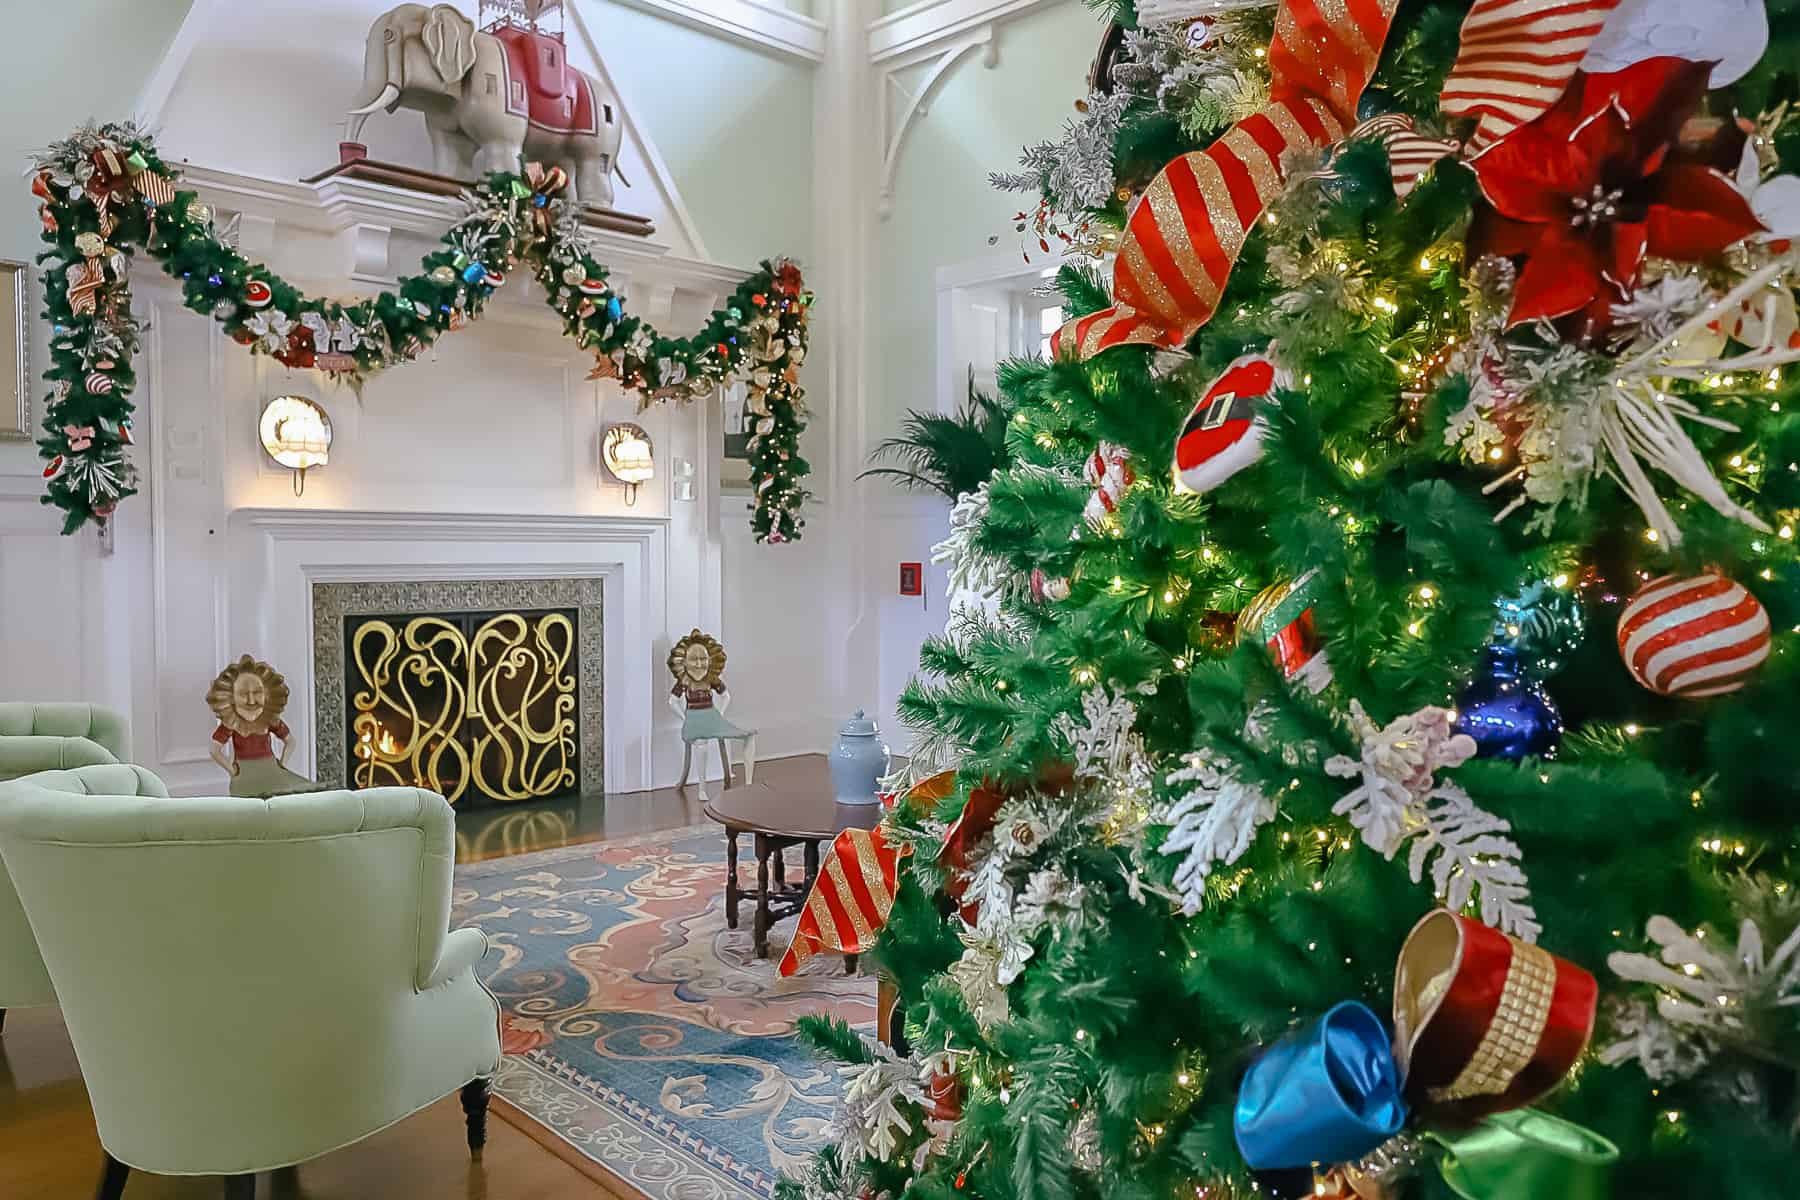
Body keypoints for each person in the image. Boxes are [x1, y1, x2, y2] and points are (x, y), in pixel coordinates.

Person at [206, 655, 321, 797]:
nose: (251, 700)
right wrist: (232, 771)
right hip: (245, 773)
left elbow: (290, 741)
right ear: (230, 698)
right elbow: (214, 749)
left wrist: (282, 765)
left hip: (270, 768)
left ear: (267, 695)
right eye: (243, 694)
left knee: (302, 792)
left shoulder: (270, 721)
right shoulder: (231, 724)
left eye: (257, 693)